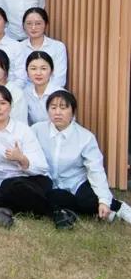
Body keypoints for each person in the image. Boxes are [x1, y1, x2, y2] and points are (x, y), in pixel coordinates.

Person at [34, 90, 131, 226]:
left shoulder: (85, 137)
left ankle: (116, 206)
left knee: (88, 201)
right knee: (50, 198)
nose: (57, 112)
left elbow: (95, 170)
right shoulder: (37, 130)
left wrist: (103, 200)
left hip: (76, 183)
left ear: (73, 112)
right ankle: (81, 209)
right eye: (53, 108)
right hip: (51, 184)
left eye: (63, 108)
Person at [0, 85, 59, 228]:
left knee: (15, 186)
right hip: (1, 181)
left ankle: (54, 212)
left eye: (3, 103)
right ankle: (21, 208)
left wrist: (21, 158)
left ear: (10, 106)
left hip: (32, 179)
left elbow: (42, 167)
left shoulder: (22, 130)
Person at [19, 8, 68, 89]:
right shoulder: (18, 47)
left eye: (38, 23)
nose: (33, 27)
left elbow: (59, 79)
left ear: (46, 24)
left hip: (52, 93)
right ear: (23, 26)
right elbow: (17, 77)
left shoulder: (58, 47)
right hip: (24, 92)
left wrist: (43, 93)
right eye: (29, 23)